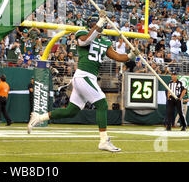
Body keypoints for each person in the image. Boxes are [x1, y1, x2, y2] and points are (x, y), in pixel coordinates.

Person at [27, 10, 140, 152]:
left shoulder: (105, 41)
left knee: (71, 111)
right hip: (83, 75)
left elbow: (118, 56)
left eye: (97, 23)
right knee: (102, 104)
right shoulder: (81, 33)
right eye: (94, 23)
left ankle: (39, 117)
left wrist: (131, 54)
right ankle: (104, 140)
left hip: (89, 78)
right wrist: (99, 23)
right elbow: (85, 41)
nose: (96, 25)